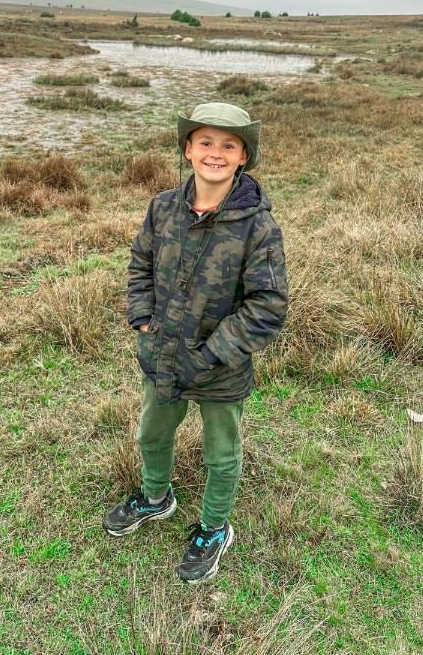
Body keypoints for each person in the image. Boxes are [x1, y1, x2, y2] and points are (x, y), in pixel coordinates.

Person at [102, 102, 289, 584]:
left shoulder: (258, 226)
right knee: (151, 434)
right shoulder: (162, 208)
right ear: (187, 149)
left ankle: (214, 528)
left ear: (244, 157)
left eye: (229, 145)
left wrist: (208, 355)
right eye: (205, 141)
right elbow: (140, 265)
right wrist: (144, 321)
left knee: (220, 455)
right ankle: (156, 497)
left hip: (221, 369)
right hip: (161, 356)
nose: (216, 153)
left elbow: (267, 306)